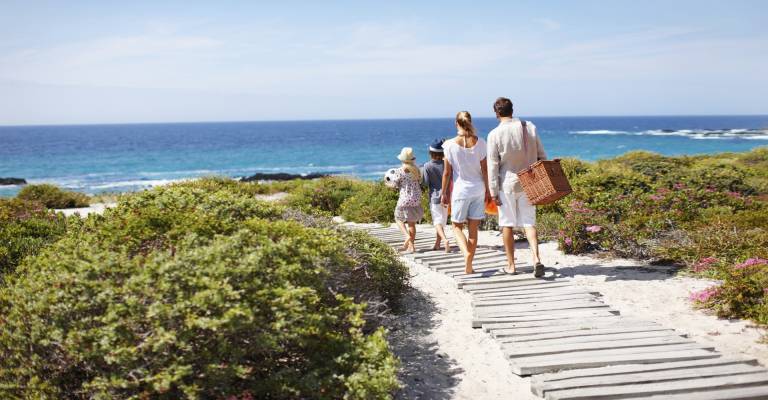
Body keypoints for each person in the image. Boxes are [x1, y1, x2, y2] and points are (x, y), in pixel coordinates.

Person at [486, 97, 547, 277]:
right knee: (529, 223)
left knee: (507, 224)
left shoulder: (494, 134)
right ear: (512, 110)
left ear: (496, 113)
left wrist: (493, 191)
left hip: (507, 184)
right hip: (530, 181)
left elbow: (493, 166)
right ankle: (536, 258)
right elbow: (542, 156)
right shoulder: (529, 127)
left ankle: (511, 265)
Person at [441, 111, 491, 274]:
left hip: (461, 191)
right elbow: (485, 171)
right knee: (473, 230)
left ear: (456, 123)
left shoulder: (449, 145)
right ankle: (469, 267)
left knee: (456, 227)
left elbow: (447, 173)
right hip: (478, 189)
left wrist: (443, 193)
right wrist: (489, 191)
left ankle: (466, 253)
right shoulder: (481, 143)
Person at [421, 139, 451, 253]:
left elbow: (426, 182)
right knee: (442, 221)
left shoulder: (427, 166)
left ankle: (444, 240)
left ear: (430, 153)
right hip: (446, 196)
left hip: (434, 197)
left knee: (437, 222)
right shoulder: (447, 164)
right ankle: (437, 244)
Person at [392, 147, 424, 253]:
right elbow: (419, 181)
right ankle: (412, 246)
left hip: (404, 199)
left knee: (398, 218)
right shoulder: (417, 170)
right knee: (412, 224)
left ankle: (406, 236)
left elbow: (395, 185)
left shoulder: (399, 171)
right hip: (416, 199)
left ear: (402, 159)